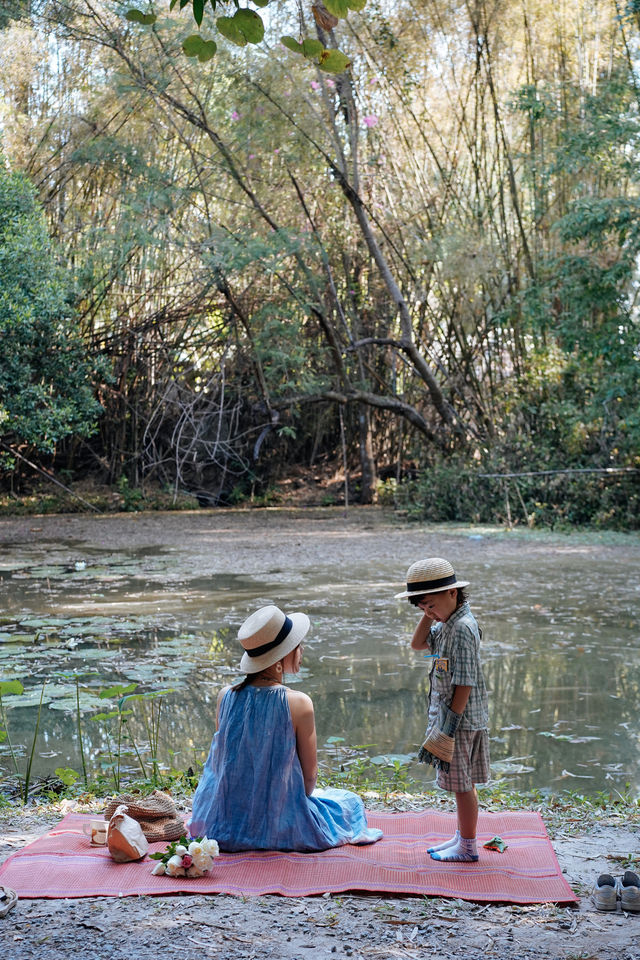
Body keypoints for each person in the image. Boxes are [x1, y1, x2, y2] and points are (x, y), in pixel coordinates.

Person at [188, 604, 383, 852]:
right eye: (297, 645)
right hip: (281, 824)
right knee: (350, 802)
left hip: (221, 821)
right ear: (280, 658)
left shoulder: (224, 696)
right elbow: (309, 780)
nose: (302, 650)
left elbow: (224, 767)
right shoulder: (298, 703)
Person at [396, 557, 490, 863]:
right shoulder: (447, 623)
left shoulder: (462, 627)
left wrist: (447, 729)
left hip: (459, 721)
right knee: (461, 785)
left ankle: (468, 846)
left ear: (453, 593)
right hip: (453, 718)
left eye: (432, 605)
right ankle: (463, 837)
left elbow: (465, 682)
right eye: (422, 608)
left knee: (462, 786)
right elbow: (417, 644)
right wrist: (430, 614)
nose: (429, 612)